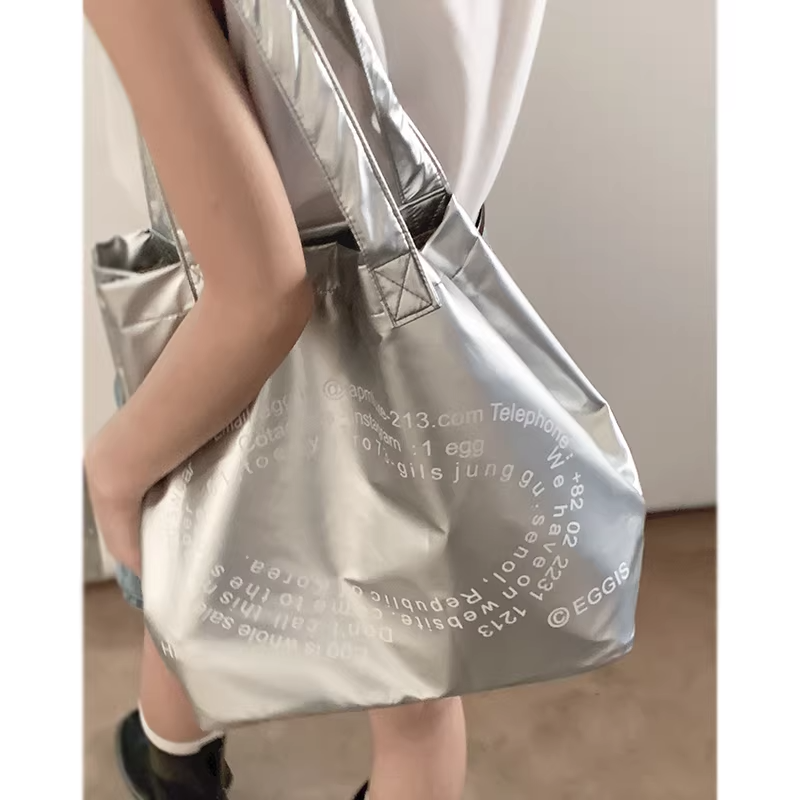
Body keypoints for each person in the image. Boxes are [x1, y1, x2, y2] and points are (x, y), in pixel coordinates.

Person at [83, 1, 547, 798]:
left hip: (217, 333)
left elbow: (262, 296)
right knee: (417, 686)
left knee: (192, 589)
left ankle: (176, 775)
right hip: (434, 293)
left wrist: (112, 472)